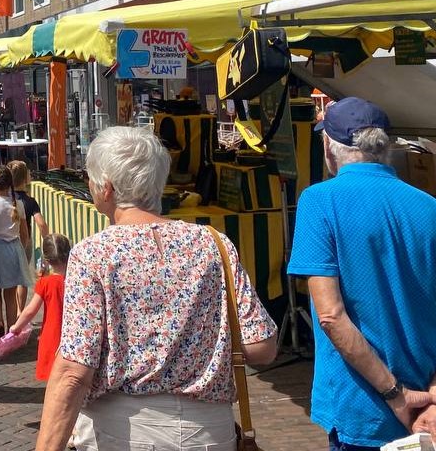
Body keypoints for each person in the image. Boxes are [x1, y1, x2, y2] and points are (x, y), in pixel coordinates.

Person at [36, 126, 278, 451]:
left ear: (106, 188)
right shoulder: (214, 244)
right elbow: (261, 346)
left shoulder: (94, 254)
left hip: (125, 431)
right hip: (209, 431)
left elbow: (73, 372)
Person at [288, 97, 436, 451]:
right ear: (385, 146)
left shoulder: (319, 201)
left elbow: (331, 316)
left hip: (362, 410)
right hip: (432, 410)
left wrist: (397, 395)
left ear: (328, 146)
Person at [9, 233, 72, 382]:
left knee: (53, 375)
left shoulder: (45, 283)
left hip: (52, 334)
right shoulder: (75, 279)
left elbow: (31, 310)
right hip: (71, 333)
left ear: (46, 259)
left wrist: (17, 327)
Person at [0, 164, 30, 341]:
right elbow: (24, 234)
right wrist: (20, 251)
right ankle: (12, 329)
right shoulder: (18, 204)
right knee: (10, 294)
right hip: (13, 248)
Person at [9, 160, 48, 308]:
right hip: (25, 242)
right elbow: (41, 223)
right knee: (22, 278)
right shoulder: (30, 201)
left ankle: (12, 310)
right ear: (26, 179)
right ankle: (20, 310)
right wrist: (46, 239)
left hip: (7, 240)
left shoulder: (6, 199)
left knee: (11, 278)